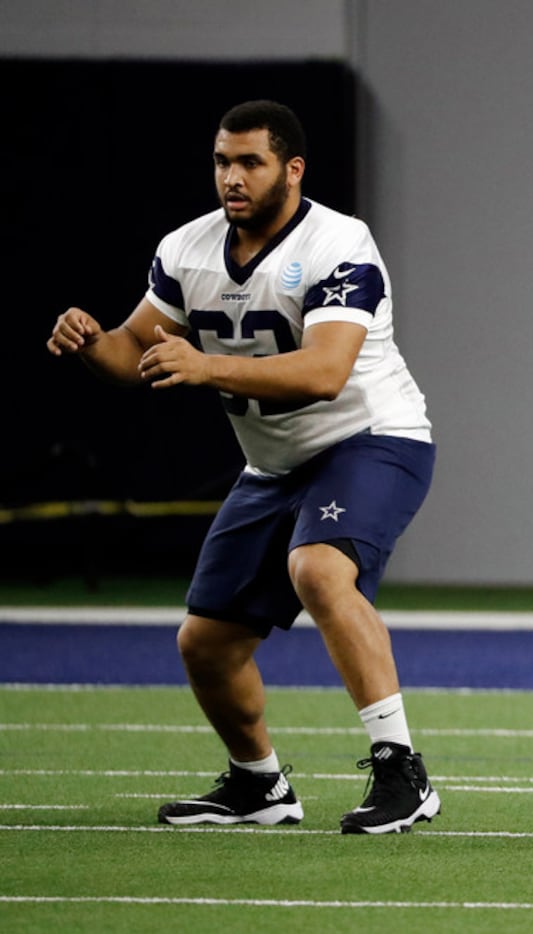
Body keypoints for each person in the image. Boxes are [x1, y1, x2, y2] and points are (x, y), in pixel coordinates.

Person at [46, 100, 440, 835]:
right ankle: (260, 786)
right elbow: (138, 348)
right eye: (223, 161)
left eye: (250, 162)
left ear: (292, 169)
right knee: (206, 643)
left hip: (370, 437)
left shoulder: (338, 243)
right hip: (273, 464)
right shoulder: (188, 248)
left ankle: (402, 772)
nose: (232, 177)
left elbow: (326, 372)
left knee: (319, 569)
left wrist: (205, 363)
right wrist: (95, 342)